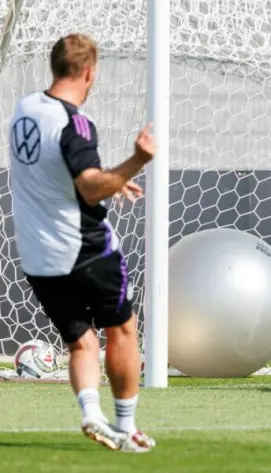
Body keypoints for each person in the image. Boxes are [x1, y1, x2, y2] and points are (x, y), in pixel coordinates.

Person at [9, 33, 157, 451]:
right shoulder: (75, 124)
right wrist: (134, 164)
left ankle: (93, 415)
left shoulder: (25, 109)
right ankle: (127, 427)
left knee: (82, 341)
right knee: (123, 330)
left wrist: (113, 179)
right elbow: (90, 188)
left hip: (38, 256)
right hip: (84, 249)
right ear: (89, 73)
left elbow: (63, 173)